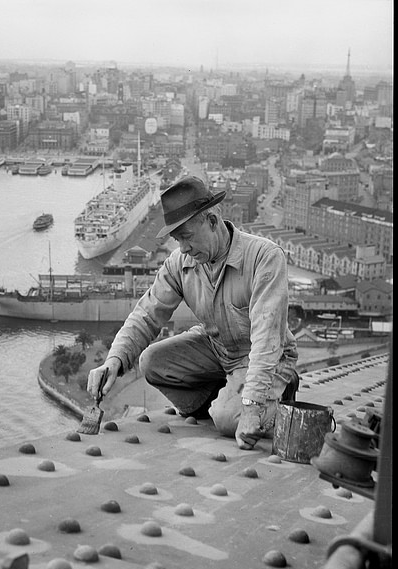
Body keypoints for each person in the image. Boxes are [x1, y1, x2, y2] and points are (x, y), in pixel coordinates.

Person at [88, 175, 299, 450]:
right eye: (177, 240)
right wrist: (113, 361)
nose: (183, 248)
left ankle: (276, 392)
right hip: (217, 349)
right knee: (151, 361)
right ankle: (227, 395)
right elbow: (147, 315)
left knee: (227, 419)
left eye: (187, 237)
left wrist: (252, 404)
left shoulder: (264, 257)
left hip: (263, 355)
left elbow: (267, 340)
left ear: (212, 221)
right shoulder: (181, 263)